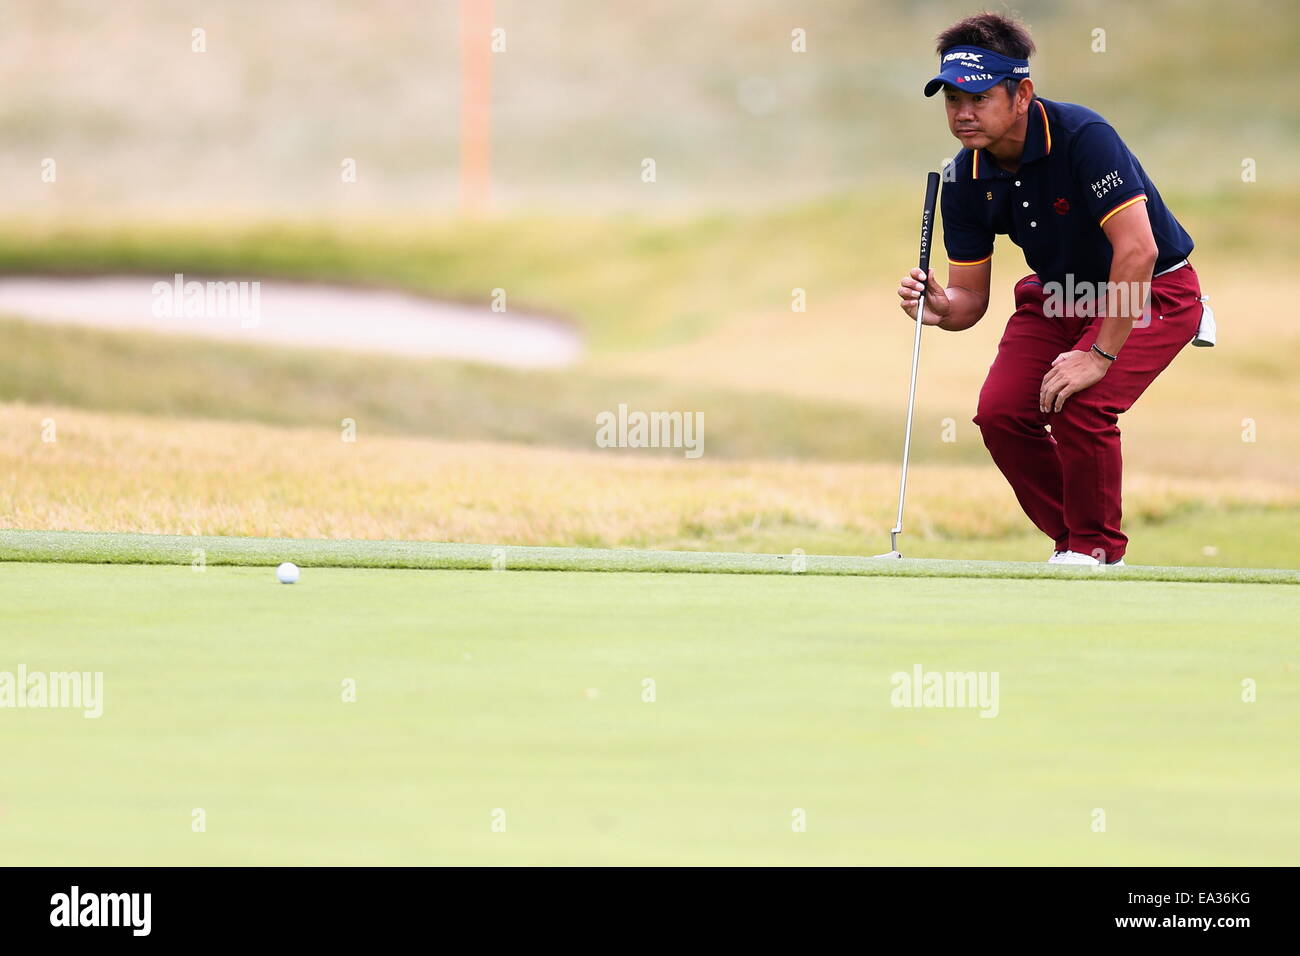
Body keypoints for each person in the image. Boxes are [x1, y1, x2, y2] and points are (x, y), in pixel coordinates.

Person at [897, 11, 1209, 566]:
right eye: (951, 100)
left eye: (979, 97)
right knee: (1002, 414)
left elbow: (1138, 251)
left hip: (1152, 288)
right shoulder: (962, 177)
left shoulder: (1083, 137)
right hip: (1058, 296)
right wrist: (943, 308)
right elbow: (970, 298)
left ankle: (1095, 551)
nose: (963, 114)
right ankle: (1076, 544)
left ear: (1022, 95)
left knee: (1081, 401)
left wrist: (1098, 353)